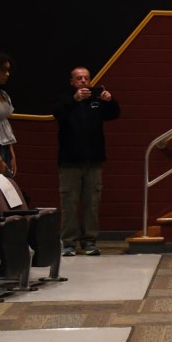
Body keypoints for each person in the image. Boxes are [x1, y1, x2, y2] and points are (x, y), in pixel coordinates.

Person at [54, 66, 120, 256]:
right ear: (72, 82)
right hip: (70, 161)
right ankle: (68, 242)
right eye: (79, 78)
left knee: (92, 204)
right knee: (69, 203)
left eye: (86, 78)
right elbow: (57, 113)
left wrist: (110, 100)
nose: (83, 81)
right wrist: (74, 100)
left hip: (94, 161)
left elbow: (114, 114)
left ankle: (90, 241)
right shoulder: (64, 99)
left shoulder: (96, 101)